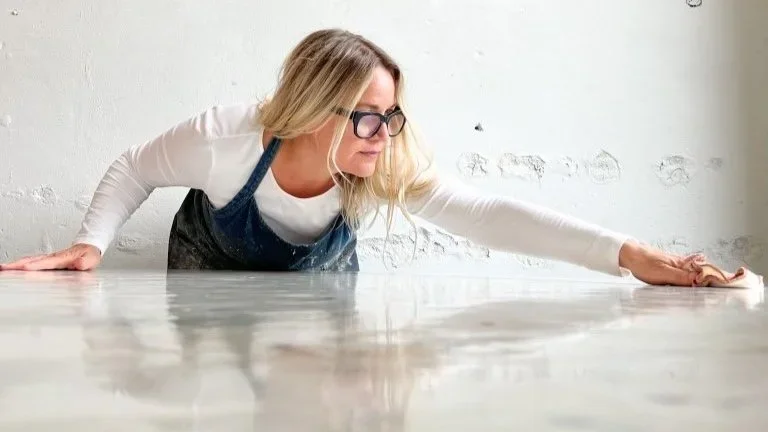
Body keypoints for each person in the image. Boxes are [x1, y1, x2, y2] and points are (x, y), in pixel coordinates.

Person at [0, 28, 705, 285]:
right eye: (368, 115)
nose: (383, 133)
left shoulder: (382, 160)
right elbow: (134, 167)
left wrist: (629, 255)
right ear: (310, 110)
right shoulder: (226, 137)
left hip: (318, 291)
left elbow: (487, 216)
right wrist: (90, 245)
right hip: (205, 282)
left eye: (391, 114)